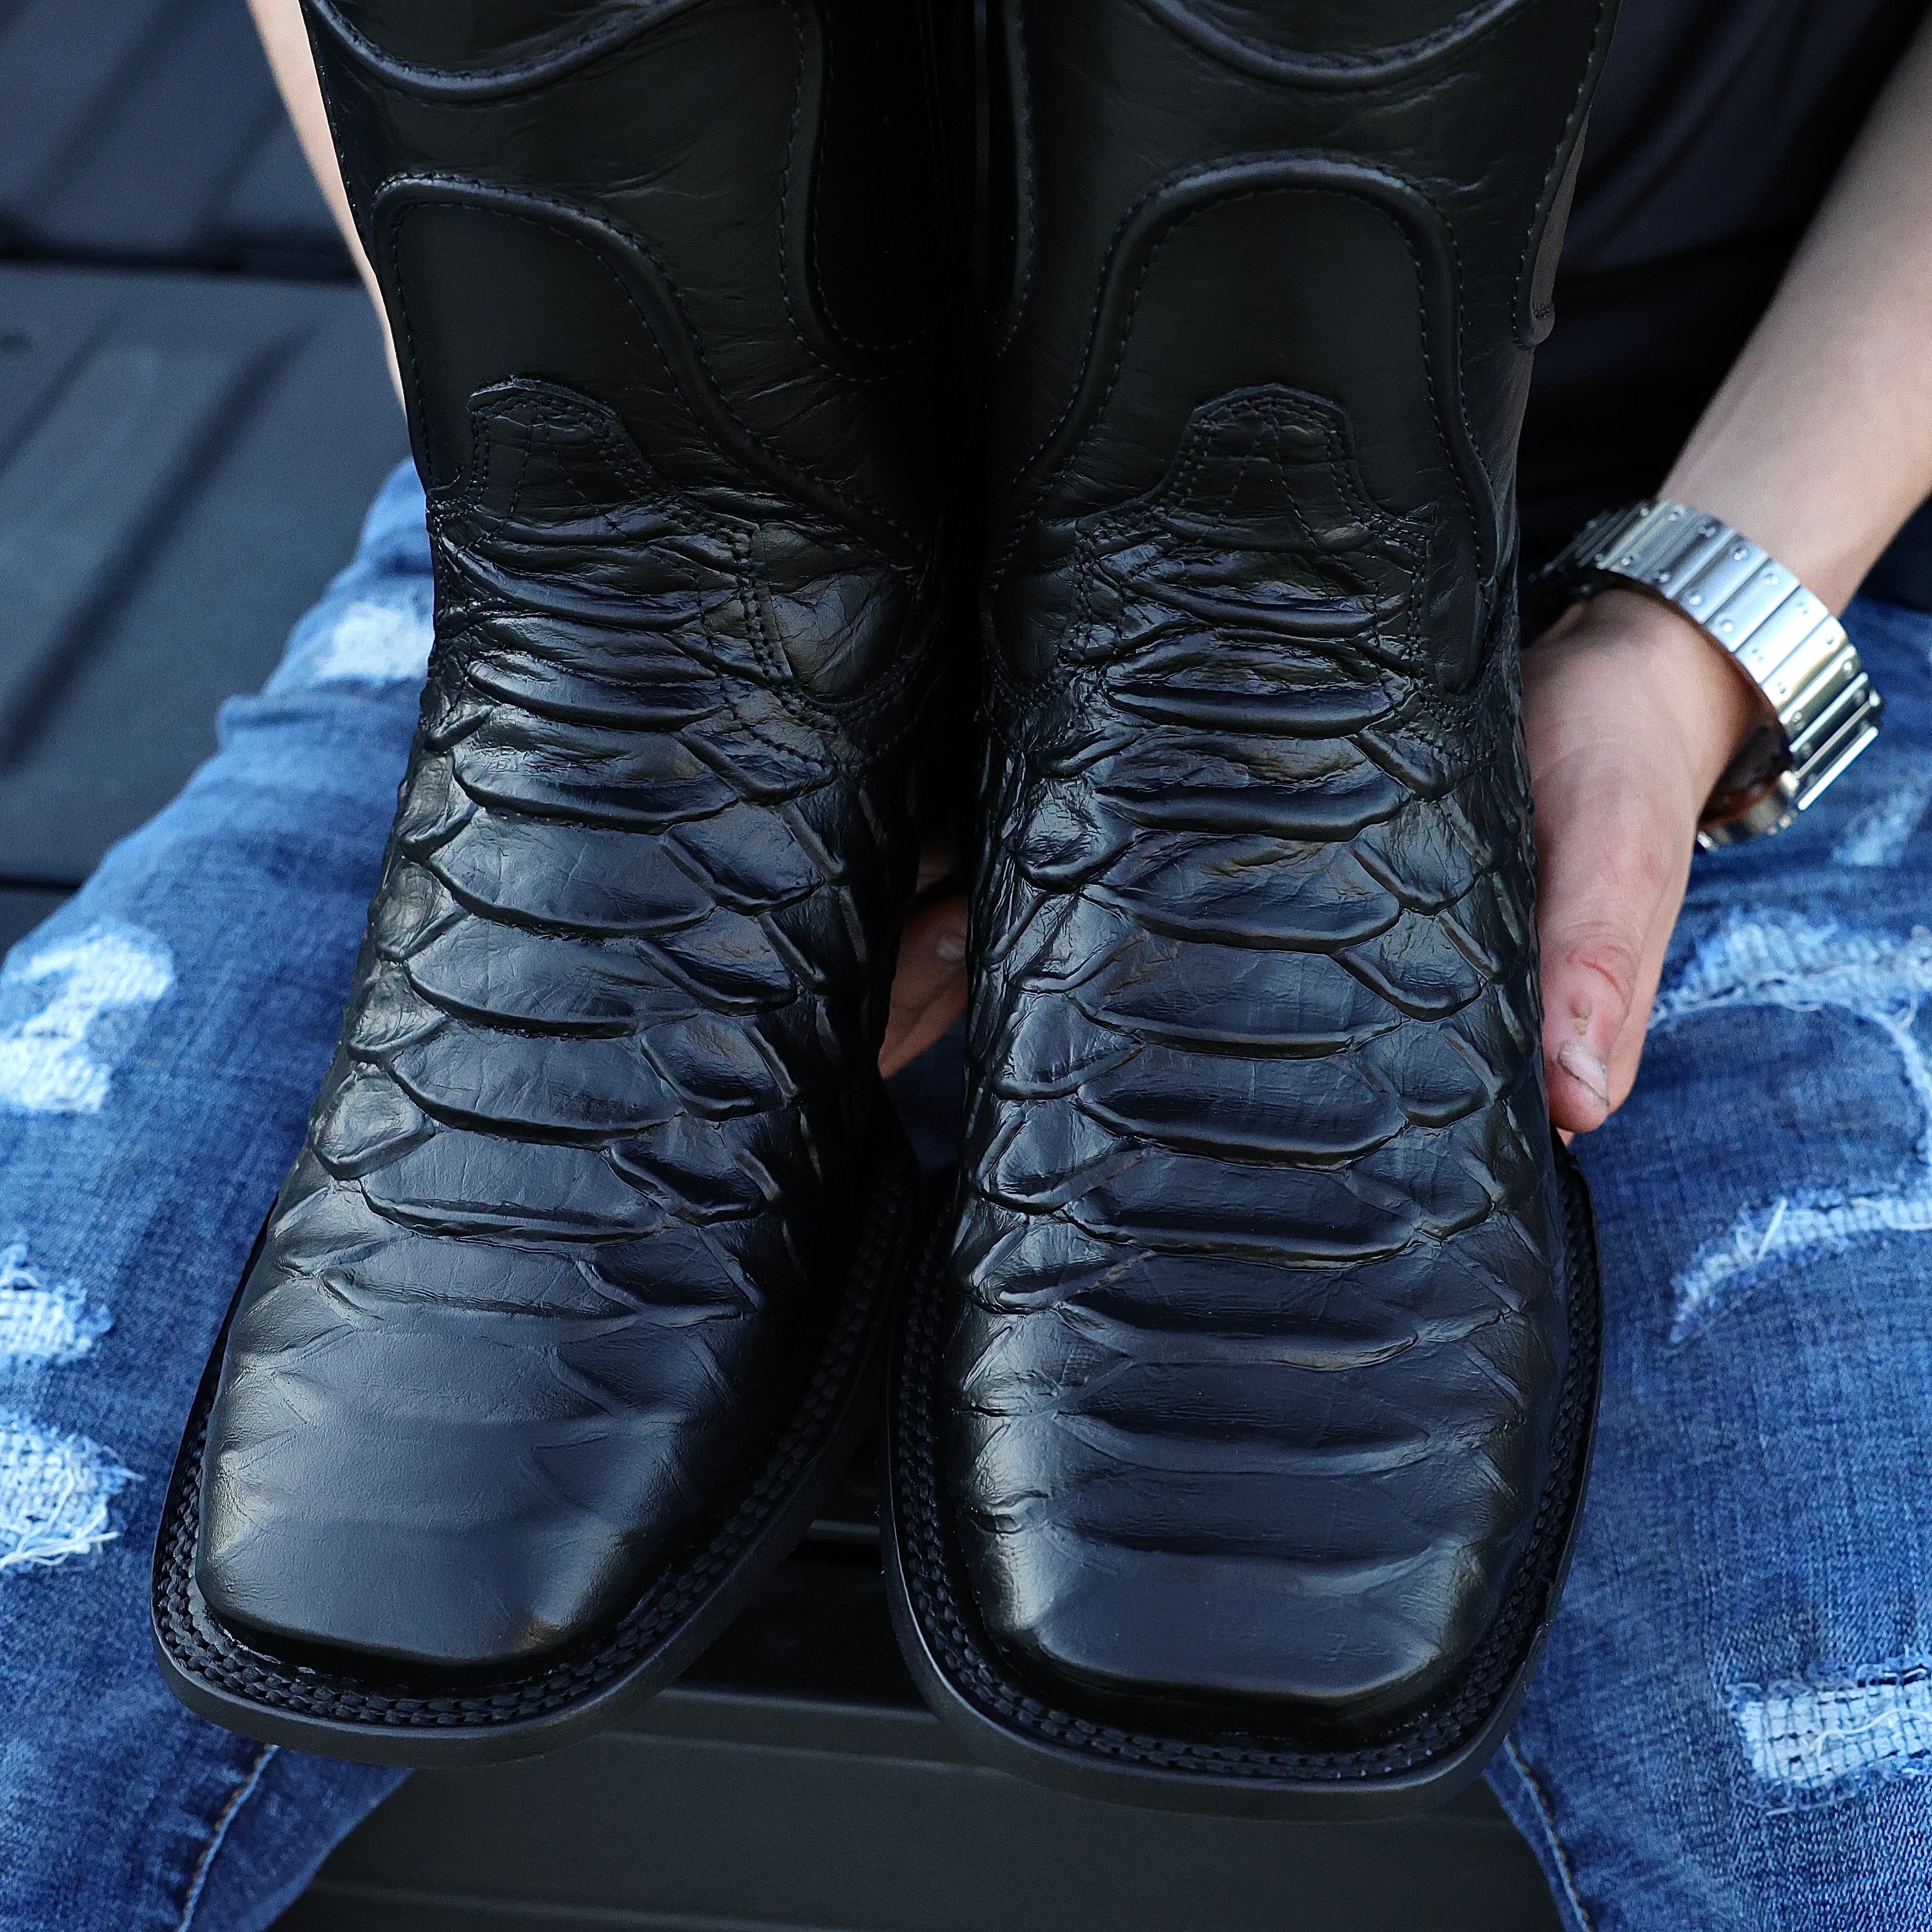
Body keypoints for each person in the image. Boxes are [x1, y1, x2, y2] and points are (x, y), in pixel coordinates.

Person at [0, 0, 1928, 1922]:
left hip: (1655, 562)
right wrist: (671, 562)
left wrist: (1705, 632)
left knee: (1857, 1858)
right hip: (637, 597)